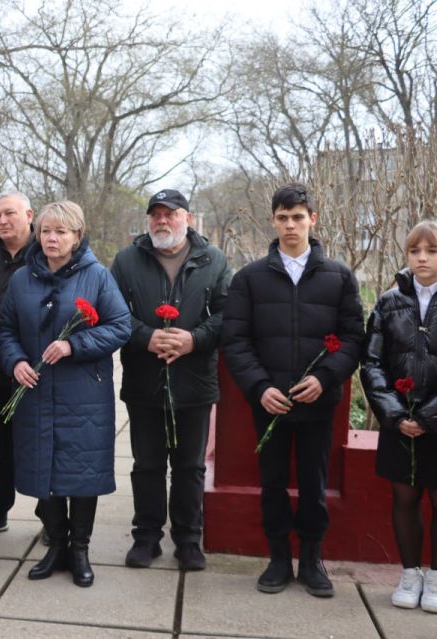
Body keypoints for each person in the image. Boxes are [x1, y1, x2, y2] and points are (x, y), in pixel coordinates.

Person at [222, 183, 364, 598]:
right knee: (272, 482)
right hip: (270, 404)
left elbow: (354, 338)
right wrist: (259, 386)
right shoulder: (249, 279)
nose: (290, 225)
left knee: (314, 484)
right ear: (273, 221)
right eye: (282, 218)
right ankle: (279, 558)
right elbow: (236, 340)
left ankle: (312, 560)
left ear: (312, 220)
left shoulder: (338, 277)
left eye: (298, 217)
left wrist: (325, 378)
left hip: (317, 404)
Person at [0, 201, 131, 587]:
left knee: (82, 472)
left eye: (60, 231)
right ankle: (55, 545)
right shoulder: (23, 279)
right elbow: (5, 328)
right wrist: (16, 362)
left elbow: (120, 326)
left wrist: (75, 344)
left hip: (83, 396)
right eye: (45, 231)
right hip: (35, 392)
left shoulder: (98, 277)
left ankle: (80, 550)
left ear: (77, 235)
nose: (51, 238)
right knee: (45, 470)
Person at [110, 189, 232, 571]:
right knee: (146, 464)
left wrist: (192, 339)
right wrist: (147, 337)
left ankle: (189, 538)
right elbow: (111, 310)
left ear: (188, 218)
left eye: (171, 214)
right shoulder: (128, 260)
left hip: (194, 380)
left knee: (189, 466)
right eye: (156, 214)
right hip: (144, 380)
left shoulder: (213, 260)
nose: (162, 220)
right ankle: (146, 537)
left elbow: (230, 314)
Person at [360, 220, 437, 613]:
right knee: (404, 496)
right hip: (399, 421)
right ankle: (410, 572)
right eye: (414, 251)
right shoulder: (389, 302)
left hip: (436, 422)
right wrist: (394, 412)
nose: (422, 258)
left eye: (431, 251)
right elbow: (371, 362)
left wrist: (428, 415)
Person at [0, 191, 36, 537]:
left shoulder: (44, 253)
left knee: (38, 444)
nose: (2, 221)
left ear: (29, 214)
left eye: (10, 214)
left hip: (36, 369)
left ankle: (51, 515)